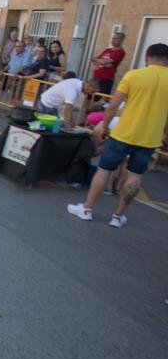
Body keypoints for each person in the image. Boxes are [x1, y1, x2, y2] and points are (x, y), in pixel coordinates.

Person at [68, 43, 168, 228]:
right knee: (135, 175)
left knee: (104, 169)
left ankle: (87, 208)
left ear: (147, 58)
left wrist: (104, 126)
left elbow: (113, 105)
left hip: (124, 133)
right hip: (149, 138)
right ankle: (118, 216)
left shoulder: (134, 75)